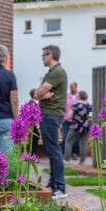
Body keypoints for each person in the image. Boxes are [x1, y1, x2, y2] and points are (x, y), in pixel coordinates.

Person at [34, 45, 67, 199]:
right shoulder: (51, 73)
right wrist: (41, 93)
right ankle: (53, 184)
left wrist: (41, 93)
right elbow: (38, 93)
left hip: (52, 115)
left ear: (50, 55)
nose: (42, 57)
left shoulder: (57, 72)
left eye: (43, 55)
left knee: (54, 151)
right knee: (51, 150)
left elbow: (38, 92)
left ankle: (60, 188)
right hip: (48, 114)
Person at [63, 90, 91, 165]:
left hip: (75, 126)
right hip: (85, 126)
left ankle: (66, 160)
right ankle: (82, 161)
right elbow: (89, 116)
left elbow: (69, 116)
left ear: (79, 96)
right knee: (84, 143)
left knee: (69, 142)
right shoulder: (88, 106)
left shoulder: (75, 105)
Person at [61, 82, 79, 157]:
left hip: (76, 121)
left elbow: (85, 104)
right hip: (66, 121)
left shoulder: (80, 96)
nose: (71, 88)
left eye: (72, 87)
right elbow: (62, 106)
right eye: (70, 87)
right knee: (65, 137)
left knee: (76, 138)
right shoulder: (66, 96)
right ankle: (63, 153)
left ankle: (74, 153)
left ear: (76, 87)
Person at [28, 89, 40, 155]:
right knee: (34, 140)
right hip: (33, 125)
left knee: (33, 140)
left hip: (32, 125)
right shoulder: (32, 103)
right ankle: (32, 155)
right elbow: (34, 115)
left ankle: (31, 155)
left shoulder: (32, 102)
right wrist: (37, 125)